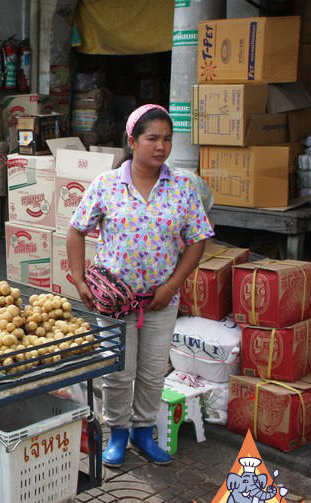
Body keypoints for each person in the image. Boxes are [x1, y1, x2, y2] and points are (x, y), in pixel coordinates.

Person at [66, 104, 213, 467]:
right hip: (115, 300)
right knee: (118, 371)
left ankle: (143, 432)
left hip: (161, 300)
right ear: (132, 141)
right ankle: (117, 432)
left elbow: (197, 240)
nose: (161, 146)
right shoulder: (106, 185)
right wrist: (79, 277)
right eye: (152, 138)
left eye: (167, 139)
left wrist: (171, 286)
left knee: (151, 371)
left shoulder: (182, 187)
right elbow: (76, 229)